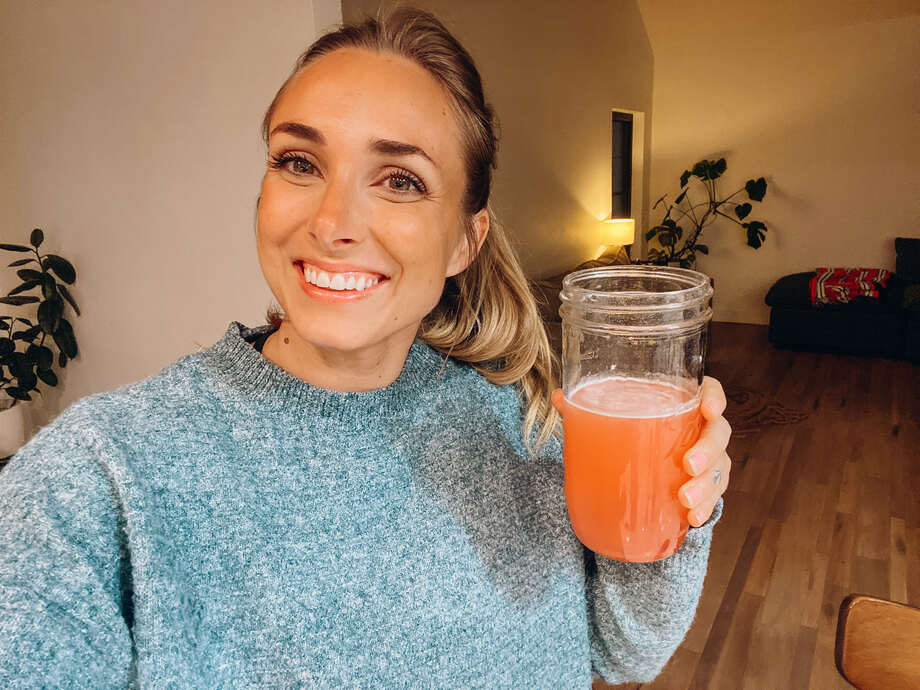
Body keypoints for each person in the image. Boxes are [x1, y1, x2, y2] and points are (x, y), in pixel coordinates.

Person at [0, 6, 732, 688]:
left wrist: (677, 509)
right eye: (299, 163)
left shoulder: (526, 418)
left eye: (400, 180)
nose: (332, 221)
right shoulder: (95, 482)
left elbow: (622, 649)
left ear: (464, 240)